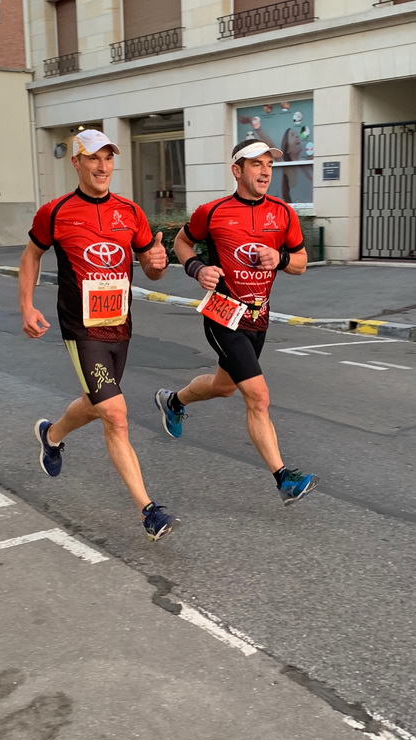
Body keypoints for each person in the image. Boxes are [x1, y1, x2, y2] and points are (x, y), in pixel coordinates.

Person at [19, 129, 179, 541]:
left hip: (120, 327)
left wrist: (158, 262)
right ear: (76, 162)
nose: (102, 166)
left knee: (98, 404)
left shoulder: (130, 212)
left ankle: (51, 435)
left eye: (108, 158)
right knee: (116, 414)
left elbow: (151, 266)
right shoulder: (55, 212)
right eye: (93, 158)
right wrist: (27, 305)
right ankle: (149, 511)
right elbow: (32, 253)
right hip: (81, 328)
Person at [154, 139, 319, 505]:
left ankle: (173, 401)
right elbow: (182, 242)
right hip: (223, 315)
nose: (264, 172)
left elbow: (302, 262)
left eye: (268, 165)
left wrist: (279, 258)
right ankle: (283, 479)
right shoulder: (212, 212)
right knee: (258, 397)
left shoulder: (283, 213)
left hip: (259, 317)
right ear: (237, 171)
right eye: (256, 164)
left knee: (224, 386)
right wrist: (197, 268)